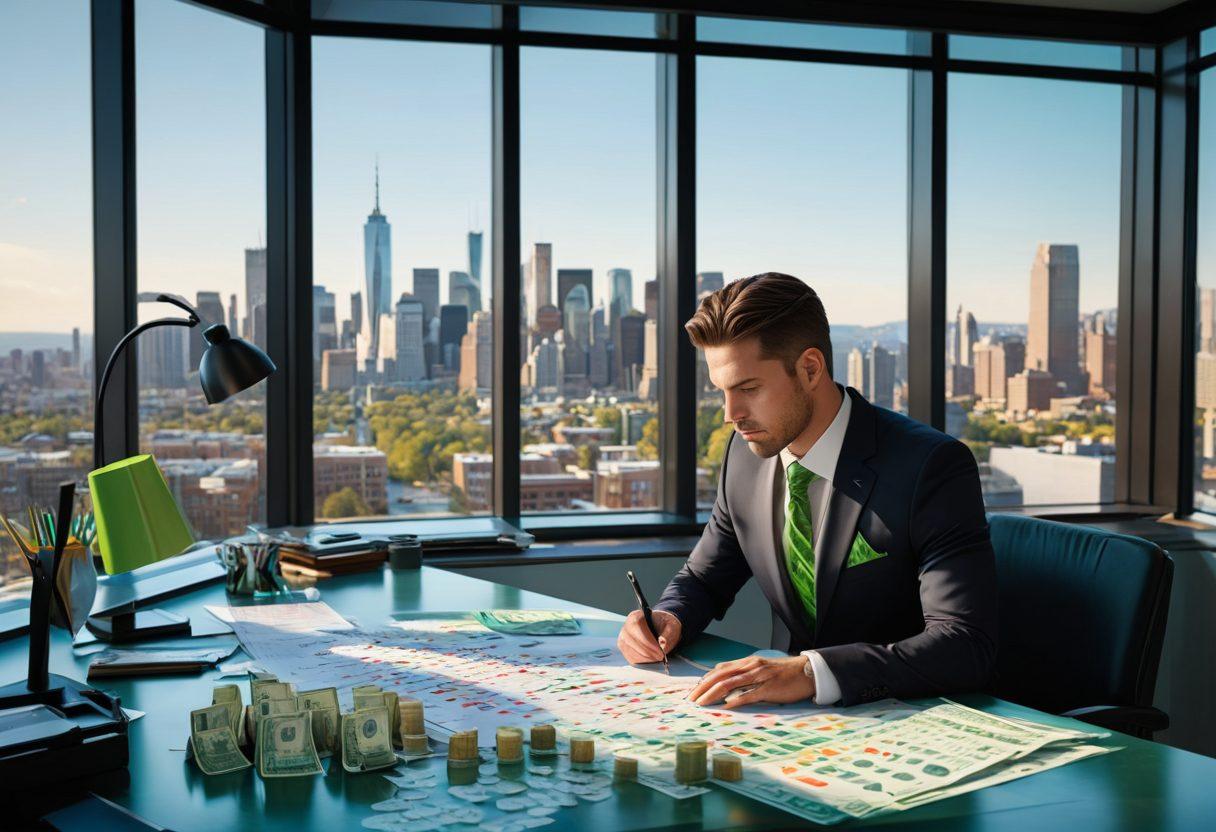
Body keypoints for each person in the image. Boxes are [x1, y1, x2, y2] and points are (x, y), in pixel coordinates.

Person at [617, 272, 998, 709]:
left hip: (909, 721)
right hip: (787, 724)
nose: (731, 414)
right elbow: (705, 578)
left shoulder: (930, 467)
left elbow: (964, 644)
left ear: (810, 369)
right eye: (722, 391)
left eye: (748, 388)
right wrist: (668, 617)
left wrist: (811, 671)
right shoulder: (743, 456)